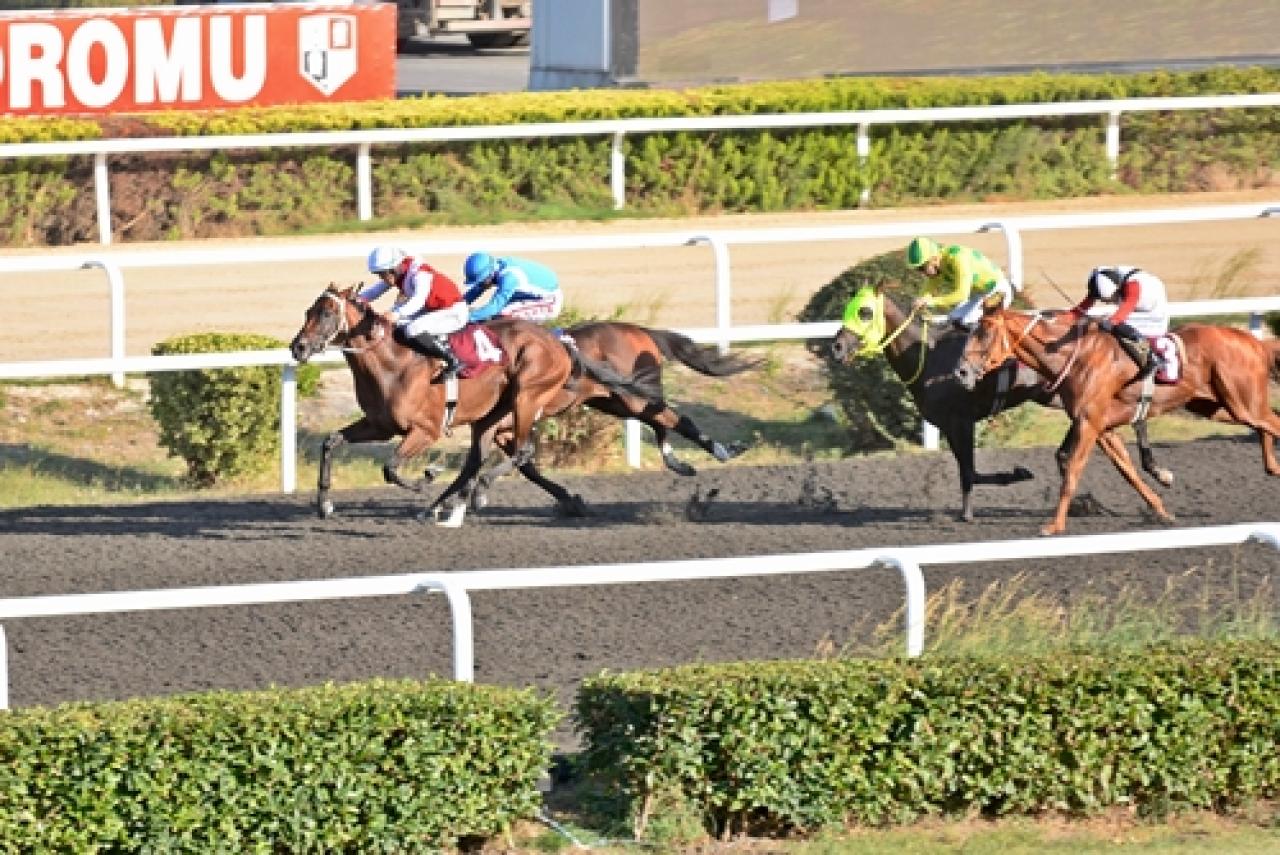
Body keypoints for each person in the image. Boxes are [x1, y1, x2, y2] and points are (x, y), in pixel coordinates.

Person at [356, 246, 467, 381]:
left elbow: (418, 301)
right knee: (397, 327)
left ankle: (453, 361)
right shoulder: (398, 272)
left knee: (413, 329)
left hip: (453, 312)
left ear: (393, 269)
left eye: (381, 274)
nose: (381, 278)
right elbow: (374, 291)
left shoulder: (420, 274)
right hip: (434, 310)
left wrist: (396, 313)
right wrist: (356, 299)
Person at [1068, 265, 1172, 378]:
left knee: (1118, 326)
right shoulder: (1104, 277)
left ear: (1116, 289)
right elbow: (1085, 304)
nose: (1106, 303)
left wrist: (1110, 322)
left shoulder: (1133, 286)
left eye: (1107, 300)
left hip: (1153, 314)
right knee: (1106, 321)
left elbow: (1125, 310)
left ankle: (1152, 360)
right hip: (1136, 305)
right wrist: (1068, 316)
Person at [904, 236, 1017, 330]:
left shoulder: (957, 258)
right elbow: (928, 290)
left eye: (922, 268)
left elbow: (962, 295)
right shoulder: (938, 265)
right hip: (978, 296)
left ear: (934, 259)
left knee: (965, 321)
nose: (921, 273)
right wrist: (919, 301)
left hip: (998, 292)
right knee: (951, 320)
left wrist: (931, 302)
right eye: (918, 269)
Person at [462, 251, 563, 323]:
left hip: (549, 301)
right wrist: (457, 305)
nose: (478, 285)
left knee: (501, 316)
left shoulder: (509, 277)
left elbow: (494, 307)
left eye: (480, 281)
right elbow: (477, 290)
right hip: (530, 296)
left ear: (490, 274)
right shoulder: (495, 267)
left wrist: (465, 318)